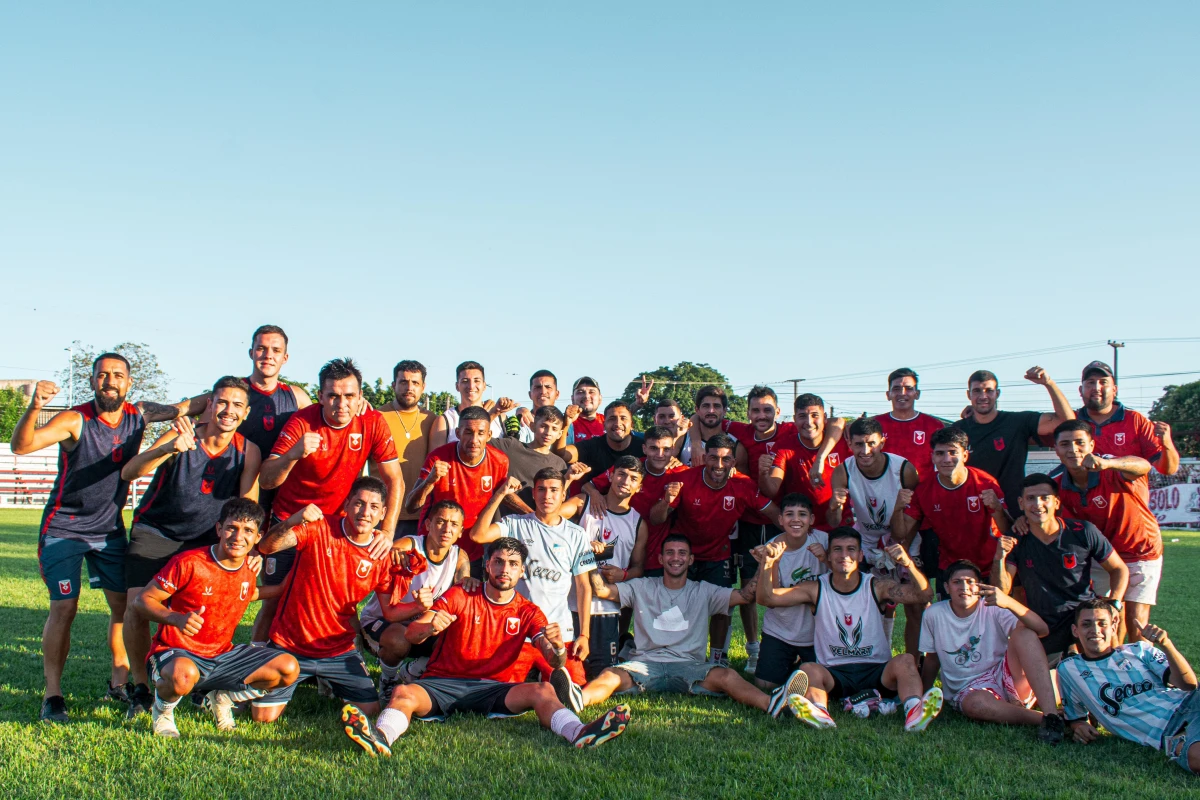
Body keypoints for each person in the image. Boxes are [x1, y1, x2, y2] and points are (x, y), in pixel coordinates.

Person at [11, 354, 185, 722]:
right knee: (64, 608)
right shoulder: (75, 419)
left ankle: (126, 684)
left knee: (125, 608)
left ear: (128, 382)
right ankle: (53, 695)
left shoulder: (140, 414)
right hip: (64, 530)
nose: (110, 381)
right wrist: (35, 406)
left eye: (117, 375)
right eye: (102, 375)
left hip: (109, 531)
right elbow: (22, 446)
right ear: (92, 382)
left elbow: (185, 406)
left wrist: (220, 398)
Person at [340, 537, 631, 756]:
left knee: (544, 690)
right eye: (499, 561)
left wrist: (557, 648)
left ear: (522, 572)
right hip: (444, 683)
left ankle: (579, 732)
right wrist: (429, 627)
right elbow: (413, 635)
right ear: (487, 565)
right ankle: (381, 737)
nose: (505, 569)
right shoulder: (460, 594)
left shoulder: (529, 611)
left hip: (497, 688)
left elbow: (553, 661)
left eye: (513, 564)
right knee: (404, 692)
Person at [119, 376, 262, 717]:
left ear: (247, 412)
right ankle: (140, 686)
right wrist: (168, 448)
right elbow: (130, 472)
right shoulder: (184, 433)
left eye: (237, 405)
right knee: (137, 607)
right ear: (210, 404)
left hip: (203, 541)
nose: (229, 410)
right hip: (157, 531)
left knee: (202, 615)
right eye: (222, 402)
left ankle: (197, 682)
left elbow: (248, 504)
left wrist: (252, 550)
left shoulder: (248, 450)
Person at [573, 534, 809, 719]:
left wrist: (765, 564)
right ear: (661, 559)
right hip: (645, 663)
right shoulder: (642, 586)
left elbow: (747, 596)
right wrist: (590, 558)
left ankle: (775, 704)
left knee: (727, 675)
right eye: (670, 553)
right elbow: (602, 590)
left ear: (691, 559)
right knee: (610, 676)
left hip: (691, 666)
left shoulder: (704, 590)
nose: (676, 558)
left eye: (682, 553)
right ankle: (578, 700)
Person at [254, 358, 401, 641]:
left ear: (361, 397)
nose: (341, 404)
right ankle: (255, 660)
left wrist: (388, 531)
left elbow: (395, 478)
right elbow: (267, 479)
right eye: (333, 396)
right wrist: (293, 455)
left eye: (349, 396)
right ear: (320, 396)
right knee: (275, 598)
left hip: (336, 528)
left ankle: (337, 662)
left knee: (340, 597)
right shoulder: (302, 421)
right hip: (293, 521)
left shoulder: (372, 422)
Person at [132, 498, 300, 737]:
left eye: (248, 531)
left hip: (221, 655)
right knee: (182, 675)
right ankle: (163, 712)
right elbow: (142, 600)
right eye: (232, 527)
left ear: (258, 537)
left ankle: (223, 697)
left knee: (288, 668)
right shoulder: (189, 562)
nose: (238, 536)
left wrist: (292, 579)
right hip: (176, 652)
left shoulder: (249, 568)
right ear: (219, 529)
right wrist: (176, 618)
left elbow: (248, 593)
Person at [251, 477, 408, 723]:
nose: (365, 512)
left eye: (374, 507)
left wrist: (423, 605)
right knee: (262, 717)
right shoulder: (320, 528)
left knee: (370, 713)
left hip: (338, 650)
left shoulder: (381, 553)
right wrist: (293, 520)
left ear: (383, 513)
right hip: (291, 644)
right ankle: (256, 670)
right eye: (359, 504)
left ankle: (331, 678)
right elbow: (267, 547)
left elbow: (390, 611)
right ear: (347, 504)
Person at [761, 528, 944, 732]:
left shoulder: (877, 586)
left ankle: (914, 712)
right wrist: (768, 563)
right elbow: (767, 598)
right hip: (835, 674)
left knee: (906, 660)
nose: (844, 555)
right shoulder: (815, 588)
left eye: (851, 549)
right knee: (807, 669)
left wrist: (908, 563)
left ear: (860, 555)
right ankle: (820, 713)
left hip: (876, 670)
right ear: (829, 556)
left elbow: (924, 595)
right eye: (837, 549)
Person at [649, 433, 780, 665]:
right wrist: (667, 500)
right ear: (704, 458)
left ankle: (717, 658)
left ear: (733, 461)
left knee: (722, 607)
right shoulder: (685, 479)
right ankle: (674, 654)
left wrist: (796, 538)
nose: (719, 465)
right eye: (713, 458)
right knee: (676, 606)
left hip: (718, 554)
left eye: (725, 459)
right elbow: (657, 518)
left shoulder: (744, 485)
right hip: (685, 557)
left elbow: (775, 514)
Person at [470, 468, 597, 688]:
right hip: (517, 631)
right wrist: (499, 494)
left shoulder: (576, 534)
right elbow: (477, 535)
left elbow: (584, 586)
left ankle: (544, 676)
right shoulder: (514, 524)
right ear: (534, 493)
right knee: (500, 690)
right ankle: (533, 677)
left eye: (554, 490)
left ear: (563, 494)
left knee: (576, 687)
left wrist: (584, 634)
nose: (547, 496)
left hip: (558, 631)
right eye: (541, 490)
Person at [918, 560, 1064, 743]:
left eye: (971, 582)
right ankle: (1046, 719)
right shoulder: (934, 614)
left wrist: (1008, 601)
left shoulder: (993, 608)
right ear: (947, 587)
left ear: (980, 586)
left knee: (1024, 633)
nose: (964, 587)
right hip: (969, 688)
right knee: (976, 705)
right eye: (957, 582)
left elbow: (1042, 630)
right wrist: (921, 695)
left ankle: (1051, 712)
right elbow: (932, 660)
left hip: (1004, 674)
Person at [994, 474, 1130, 664]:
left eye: (1044, 498)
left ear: (1057, 502)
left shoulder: (1083, 531)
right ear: (1021, 503)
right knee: (1049, 685)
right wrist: (999, 558)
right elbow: (1002, 590)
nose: (1038, 504)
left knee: (1107, 666)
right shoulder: (1015, 539)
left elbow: (1119, 569)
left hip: (1082, 614)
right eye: (1030, 498)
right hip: (1043, 624)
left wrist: (1115, 603)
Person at [180, 325, 312, 519]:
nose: (268, 355)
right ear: (251, 353)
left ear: (285, 358)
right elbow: (187, 413)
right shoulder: (232, 392)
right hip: (228, 489)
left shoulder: (296, 397)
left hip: (277, 492)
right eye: (261, 348)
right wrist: (181, 421)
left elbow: (326, 418)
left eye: (276, 350)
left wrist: (360, 404)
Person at [1057, 599, 1200, 774]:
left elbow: (1189, 685)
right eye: (1086, 624)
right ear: (1075, 630)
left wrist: (1166, 645)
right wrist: (1078, 727)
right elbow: (1075, 717)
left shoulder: (1139, 651)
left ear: (1113, 626)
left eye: (1102, 624)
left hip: (1191, 703)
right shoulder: (1069, 669)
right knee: (1196, 759)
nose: (1095, 630)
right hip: (1167, 731)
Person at [1051, 419, 1162, 641]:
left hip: (1139, 549)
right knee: (1105, 621)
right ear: (1056, 450)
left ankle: (1142, 673)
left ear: (1092, 445)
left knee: (1136, 623)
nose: (1073, 449)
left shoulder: (1111, 465)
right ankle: (1113, 671)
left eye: (1079, 442)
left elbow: (1143, 465)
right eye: (1065, 444)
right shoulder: (1056, 482)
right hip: (1103, 557)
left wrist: (1109, 464)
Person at [360, 499, 474, 700]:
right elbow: (396, 549)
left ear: (461, 531)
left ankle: (410, 673)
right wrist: (395, 554)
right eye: (441, 521)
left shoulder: (459, 557)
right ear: (428, 525)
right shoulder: (410, 546)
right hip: (382, 621)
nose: (447, 529)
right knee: (399, 638)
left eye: (454, 524)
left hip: (419, 625)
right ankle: (387, 681)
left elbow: (460, 599)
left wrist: (470, 584)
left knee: (461, 635)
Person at [828, 417, 921, 652]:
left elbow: (916, 516)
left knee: (916, 604)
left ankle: (914, 661)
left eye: (871, 443)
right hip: (868, 540)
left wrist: (902, 547)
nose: (865, 450)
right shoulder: (842, 471)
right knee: (867, 601)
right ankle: (875, 653)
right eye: (859, 444)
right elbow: (834, 523)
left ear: (882, 442)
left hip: (904, 537)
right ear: (849, 444)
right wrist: (833, 506)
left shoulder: (904, 469)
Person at [561, 455, 649, 679]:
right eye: (621, 474)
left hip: (607, 608)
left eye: (633, 478)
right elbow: (550, 520)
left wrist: (623, 574)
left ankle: (624, 647)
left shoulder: (638, 522)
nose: (625, 481)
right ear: (611, 475)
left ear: (639, 487)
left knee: (600, 674)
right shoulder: (584, 503)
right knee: (569, 672)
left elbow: (639, 568)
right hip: (570, 603)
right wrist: (582, 544)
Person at [725, 386, 793, 674]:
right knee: (749, 585)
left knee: (791, 582)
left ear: (778, 411)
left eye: (767, 409)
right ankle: (753, 649)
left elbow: (836, 425)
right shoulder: (742, 436)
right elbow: (738, 474)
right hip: (753, 521)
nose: (761, 415)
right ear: (748, 413)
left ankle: (796, 646)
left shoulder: (791, 431)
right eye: (755, 410)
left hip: (789, 520)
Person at [891, 427, 1009, 591]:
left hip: (986, 567)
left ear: (965, 455)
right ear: (932, 457)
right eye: (940, 453)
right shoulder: (924, 490)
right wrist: (897, 509)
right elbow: (900, 534)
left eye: (953, 452)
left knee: (992, 615)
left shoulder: (985, 483)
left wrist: (997, 508)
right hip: (949, 568)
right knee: (947, 616)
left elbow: (1006, 530)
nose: (947, 459)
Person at [951, 367, 1074, 508]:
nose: (983, 396)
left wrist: (1049, 384)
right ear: (969, 395)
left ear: (997, 393)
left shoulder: (1017, 422)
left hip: (1014, 512)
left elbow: (1068, 423)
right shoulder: (957, 430)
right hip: (973, 508)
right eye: (977, 391)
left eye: (989, 391)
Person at [405, 405, 510, 569]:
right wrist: (430, 481)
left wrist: (534, 515)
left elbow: (503, 494)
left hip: (472, 551)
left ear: (489, 435)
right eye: (468, 432)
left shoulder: (499, 460)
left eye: (481, 433)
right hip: (434, 546)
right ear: (458, 432)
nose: (474, 440)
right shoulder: (438, 457)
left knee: (465, 593)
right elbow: (411, 507)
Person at [751, 494, 829, 690]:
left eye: (802, 514)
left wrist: (826, 559)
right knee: (765, 685)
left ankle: (799, 668)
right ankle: (792, 668)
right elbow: (767, 598)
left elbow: (844, 581)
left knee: (826, 685)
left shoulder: (824, 541)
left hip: (817, 633)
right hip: (780, 630)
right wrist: (771, 562)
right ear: (780, 520)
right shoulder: (771, 548)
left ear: (811, 520)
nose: (795, 520)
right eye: (789, 514)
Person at [1062, 360, 1179, 476]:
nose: (1096, 388)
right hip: (1083, 494)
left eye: (1103, 382)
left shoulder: (1136, 420)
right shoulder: (1071, 420)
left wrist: (1167, 444)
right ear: (1080, 390)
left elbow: (1168, 470)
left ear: (1114, 390)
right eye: (1090, 382)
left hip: (1127, 494)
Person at [759, 393, 850, 529]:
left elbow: (839, 422)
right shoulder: (784, 446)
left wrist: (819, 459)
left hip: (841, 527)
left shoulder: (842, 441)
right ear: (795, 419)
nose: (808, 422)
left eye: (815, 415)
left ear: (825, 418)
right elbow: (772, 490)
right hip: (804, 531)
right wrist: (763, 473)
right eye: (802, 416)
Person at [377, 360, 436, 539]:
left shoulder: (432, 420)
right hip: (382, 513)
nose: (409, 388)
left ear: (423, 387)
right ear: (394, 385)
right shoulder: (376, 417)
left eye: (415, 383)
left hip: (420, 513)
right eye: (403, 382)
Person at [488, 405, 569, 515]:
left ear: (560, 434)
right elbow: (481, 439)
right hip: (502, 524)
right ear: (532, 426)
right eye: (544, 426)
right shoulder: (511, 445)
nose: (548, 432)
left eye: (554, 429)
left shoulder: (560, 464)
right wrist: (493, 412)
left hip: (534, 528)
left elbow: (558, 501)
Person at [872, 368, 946, 478]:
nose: (902, 393)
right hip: (883, 492)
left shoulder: (934, 426)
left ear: (917, 394)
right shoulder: (875, 424)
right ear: (888, 395)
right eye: (896, 389)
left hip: (922, 492)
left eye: (908, 388)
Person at [557, 400, 645, 485]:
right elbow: (561, 453)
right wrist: (566, 424)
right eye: (612, 419)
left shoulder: (644, 448)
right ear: (604, 425)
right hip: (595, 499)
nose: (618, 423)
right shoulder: (592, 446)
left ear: (632, 424)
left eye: (623, 418)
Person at [428, 360, 511, 449]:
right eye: (465, 381)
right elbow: (434, 460)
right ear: (457, 386)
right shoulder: (445, 421)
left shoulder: (500, 418)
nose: (471, 386)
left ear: (484, 385)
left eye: (476, 381)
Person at [513, 370, 561, 444]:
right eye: (538, 387)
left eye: (548, 387)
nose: (543, 391)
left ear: (557, 394)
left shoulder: (565, 423)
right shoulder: (522, 422)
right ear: (530, 394)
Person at [565, 376, 605, 444]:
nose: (586, 396)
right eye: (580, 392)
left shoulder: (609, 422)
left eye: (592, 392)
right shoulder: (566, 424)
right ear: (572, 398)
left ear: (600, 399)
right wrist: (565, 425)